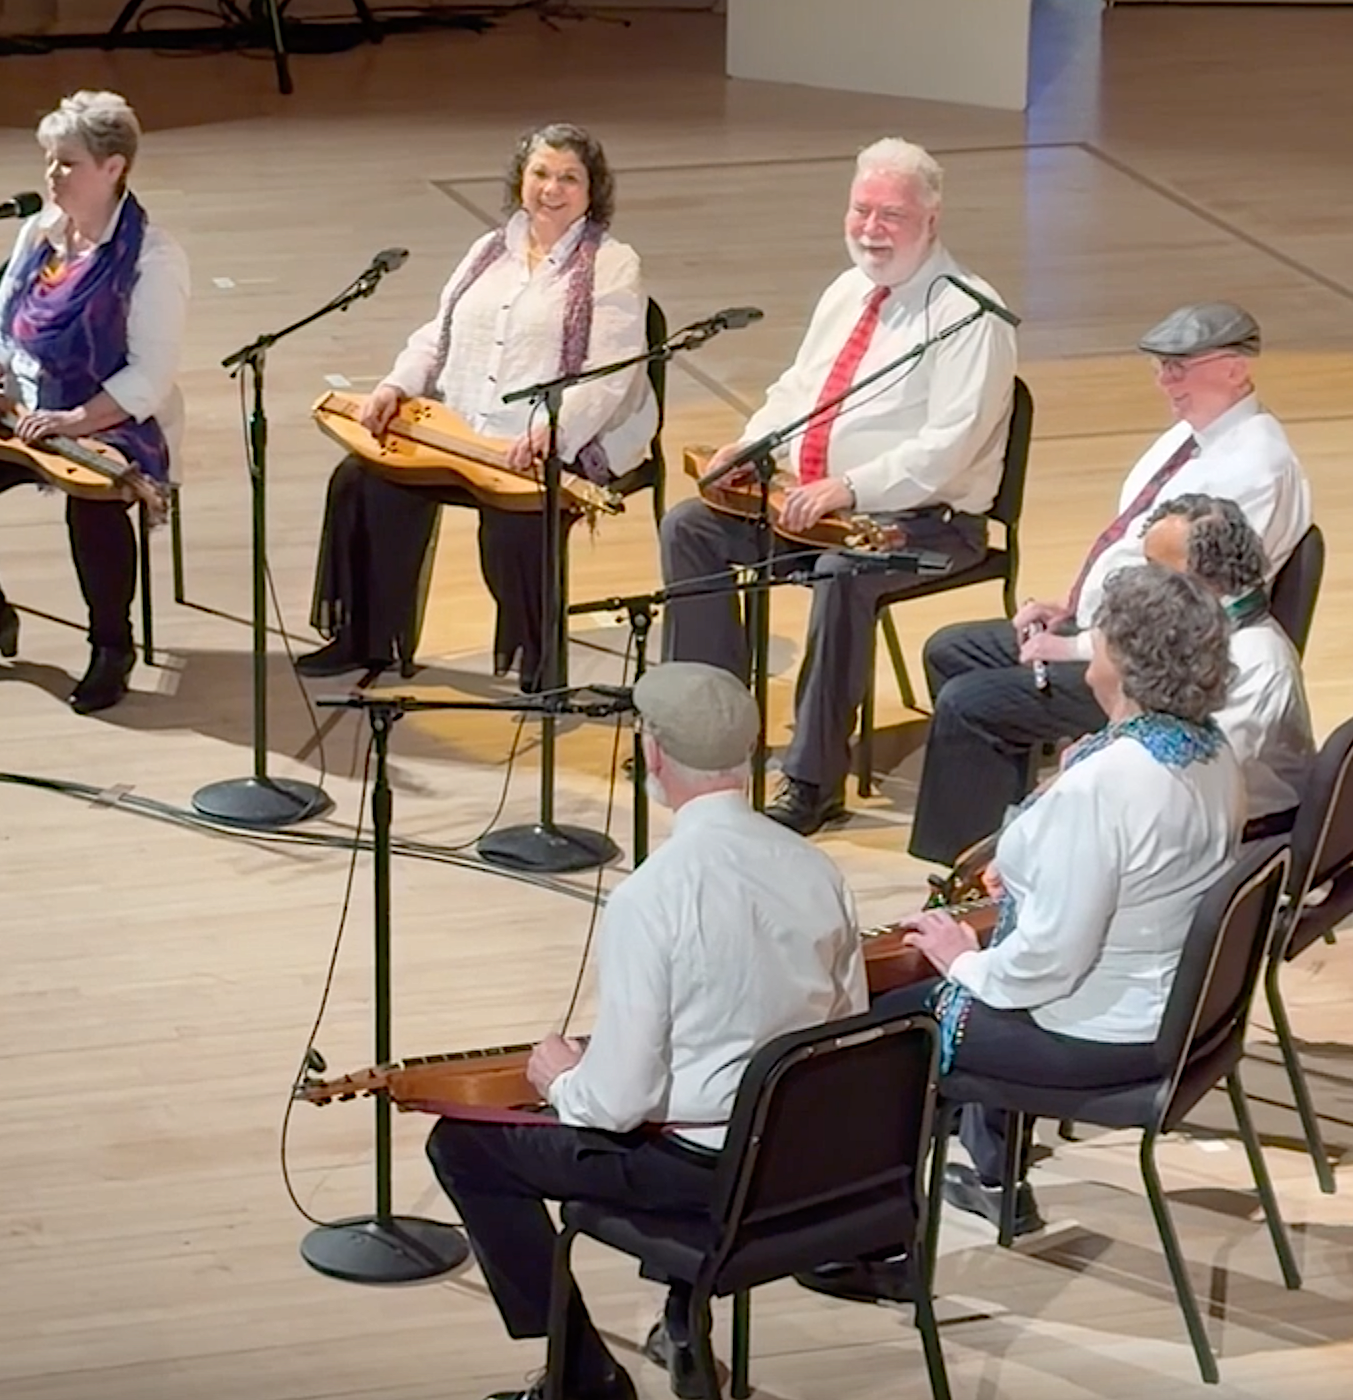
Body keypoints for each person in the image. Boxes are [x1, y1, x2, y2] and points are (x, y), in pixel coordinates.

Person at [801, 564, 1243, 1305]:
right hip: (1175, 1014)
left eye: (1095, 635)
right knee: (935, 989)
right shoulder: (1210, 751)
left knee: (874, 1032)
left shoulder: (1104, 787)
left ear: (1125, 660)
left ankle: (875, 1245)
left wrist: (966, 961)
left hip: (1097, 1031)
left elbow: (1046, 963)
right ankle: (990, 1175)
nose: (1086, 646)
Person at [425, 663, 867, 1400]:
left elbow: (617, 1103)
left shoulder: (651, 899)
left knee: (465, 1146)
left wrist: (560, 1078)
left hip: (701, 1174)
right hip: (799, 1160)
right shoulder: (817, 870)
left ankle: (583, 1375)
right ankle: (679, 1318)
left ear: (653, 753)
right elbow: (844, 1030)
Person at [658, 136, 1017, 836]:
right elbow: (801, 389)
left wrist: (849, 486)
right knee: (691, 526)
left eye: (891, 216)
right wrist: (752, 445)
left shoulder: (971, 316)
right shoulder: (848, 289)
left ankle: (814, 778)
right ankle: (712, 737)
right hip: (814, 504)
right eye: (861, 211)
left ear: (932, 222)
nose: (871, 229)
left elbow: (947, 448)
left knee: (840, 574)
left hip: (928, 521)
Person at [909, 301, 1312, 865]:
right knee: (951, 650)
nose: (1165, 381)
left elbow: (1196, 611)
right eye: (1160, 367)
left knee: (970, 703)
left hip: (1161, 664)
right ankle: (1013, 816)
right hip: (1114, 624)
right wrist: (1069, 608)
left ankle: (971, 868)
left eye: (1181, 367)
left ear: (1235, 368)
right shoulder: (1188, 436)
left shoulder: (1258, 468)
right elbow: (1131, 549)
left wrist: (1078, 645)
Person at [300, 123, 656, 691]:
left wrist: (551, 429)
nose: (551, 189)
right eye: (541, 173)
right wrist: (396, 385)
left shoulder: (613, 264)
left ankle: (541, 665)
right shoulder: (489, 250)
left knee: (516, 522)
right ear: (521, 179)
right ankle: (365, 639)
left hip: (543, 440)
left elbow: (611, 372)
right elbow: (437, 338)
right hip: (461, 431)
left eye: (569, 178)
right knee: (361, 481)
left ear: (593, 191)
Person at [0, 89, 189, 715]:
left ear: (113, 168)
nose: (51, 175)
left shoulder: (152, 258)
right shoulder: (41, 231)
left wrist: (74, 419)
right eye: (49, 160)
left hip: (109, 420)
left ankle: (113, 647)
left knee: (91, 502)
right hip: (25, 412)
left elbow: (151, 376)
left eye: (67, 163)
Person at [1140, 494, 1315, 835]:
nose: (1143, 584)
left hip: (1240, 837)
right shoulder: (1197, 628)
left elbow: (1205, 776)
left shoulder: (1259, 663)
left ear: (1208, 579)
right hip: (1195, 811)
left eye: (1156, 572)